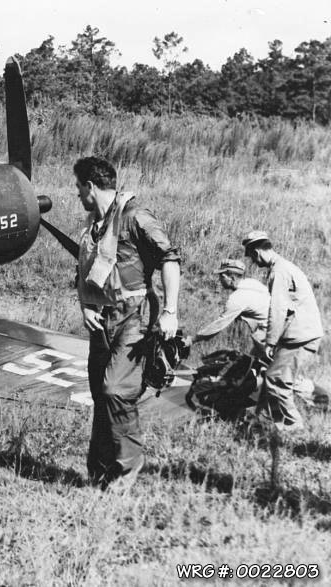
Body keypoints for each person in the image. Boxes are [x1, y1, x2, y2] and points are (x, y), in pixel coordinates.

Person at [73, 156, 181, 491]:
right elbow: (88, 273)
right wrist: (87, 307)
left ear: (91, 186)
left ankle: (127, 467)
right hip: (101, 319)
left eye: (78, 187)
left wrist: (170, 311)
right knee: (100, 395)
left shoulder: (136, 217)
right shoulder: (97, 225)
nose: (77, 194)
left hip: (134, 315)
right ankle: (101, 471)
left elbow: (170, 258)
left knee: (116, 390)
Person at [186, 258, 328, 409]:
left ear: (231, 277)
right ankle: (241, 404)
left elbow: (217, 326)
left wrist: (192, 339)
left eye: (222, 276)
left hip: (271, 339)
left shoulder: (237, 298)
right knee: (252, 368)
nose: (219, 279)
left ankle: (321, 400)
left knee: (284, 377)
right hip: (275, 333)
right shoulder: (253, 284)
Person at [242, 230, 325, 433]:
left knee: (276, 379)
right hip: (300, 333)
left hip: (300, 336)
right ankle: (265, 420)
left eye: (252, 256)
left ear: (258, 251)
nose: (254, 261)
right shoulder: (285, 267)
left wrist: (270, 342)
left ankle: (293, 427)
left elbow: (277, 309)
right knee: (274, 376)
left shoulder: (279, 272)